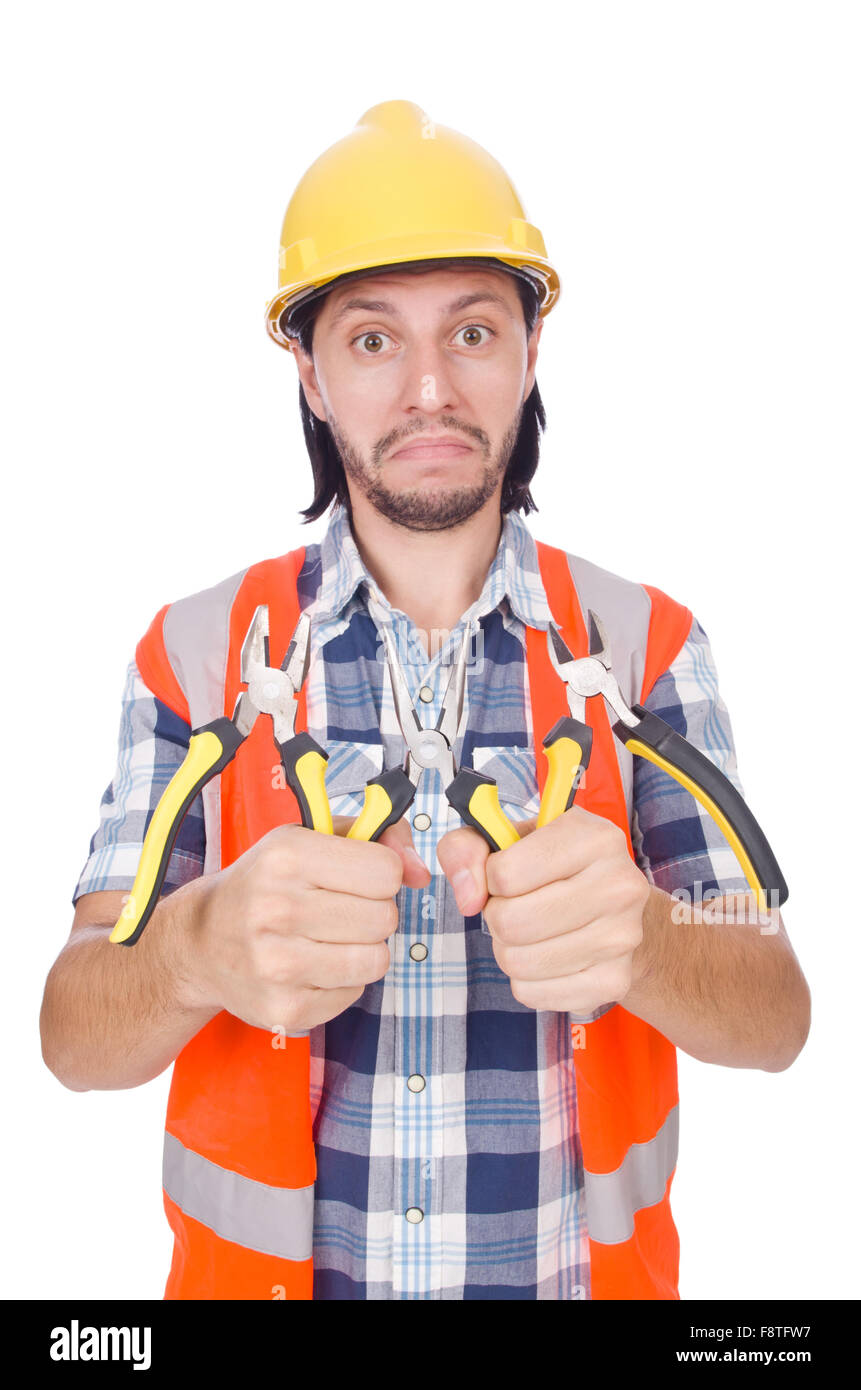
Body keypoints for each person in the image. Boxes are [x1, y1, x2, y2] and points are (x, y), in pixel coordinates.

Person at [40, 100, 810, 1301]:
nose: (431, 388)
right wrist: (191, 953)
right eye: (370, 340)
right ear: (306, 369)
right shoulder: (195, 656)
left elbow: (773, 1008)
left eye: (472, 330)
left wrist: (653, 943)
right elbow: (74, 1030)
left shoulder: (647, 645)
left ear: (530, 348)